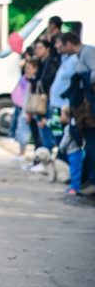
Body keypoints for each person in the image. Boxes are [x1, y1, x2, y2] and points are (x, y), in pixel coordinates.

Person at [60, 32, 95, 193]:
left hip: (89, 113)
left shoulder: (87, 52)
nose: (59, 48)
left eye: (62, 44)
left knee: (91, 145)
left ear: (69, 43)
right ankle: (86, 179)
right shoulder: (80, 55)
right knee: (88, 145)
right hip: (85, 113)